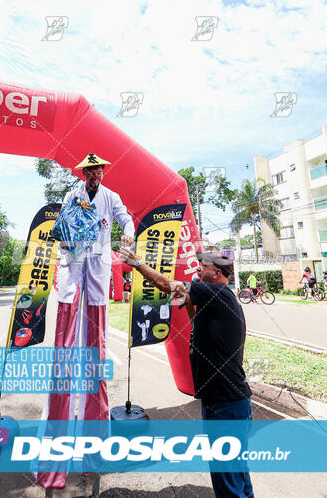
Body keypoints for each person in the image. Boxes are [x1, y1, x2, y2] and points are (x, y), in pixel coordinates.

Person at [120, 246, 254, 498]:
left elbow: (165, 284)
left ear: (217, 274)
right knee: (237, 471)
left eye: (205, 265)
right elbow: (197, 326)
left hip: (224, 404)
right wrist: (191, 301)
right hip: (230, 402)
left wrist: (136, 263)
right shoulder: (219, 299)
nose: (199, 267)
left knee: (226, 478)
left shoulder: (216, 293)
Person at [38, 153, 134, 489]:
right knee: (64, 357)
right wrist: (70, 241)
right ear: (84, 173)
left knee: (96, 356)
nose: (96, 174)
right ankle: (55, 456)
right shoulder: (71, 195)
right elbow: (62, 226)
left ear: (104, 172)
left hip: (96, 275)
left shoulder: (112, 198)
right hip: (73, 269)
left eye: (99, 170)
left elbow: (126, 219)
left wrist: (127, 235)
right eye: (91, 170)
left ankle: (93, 453)